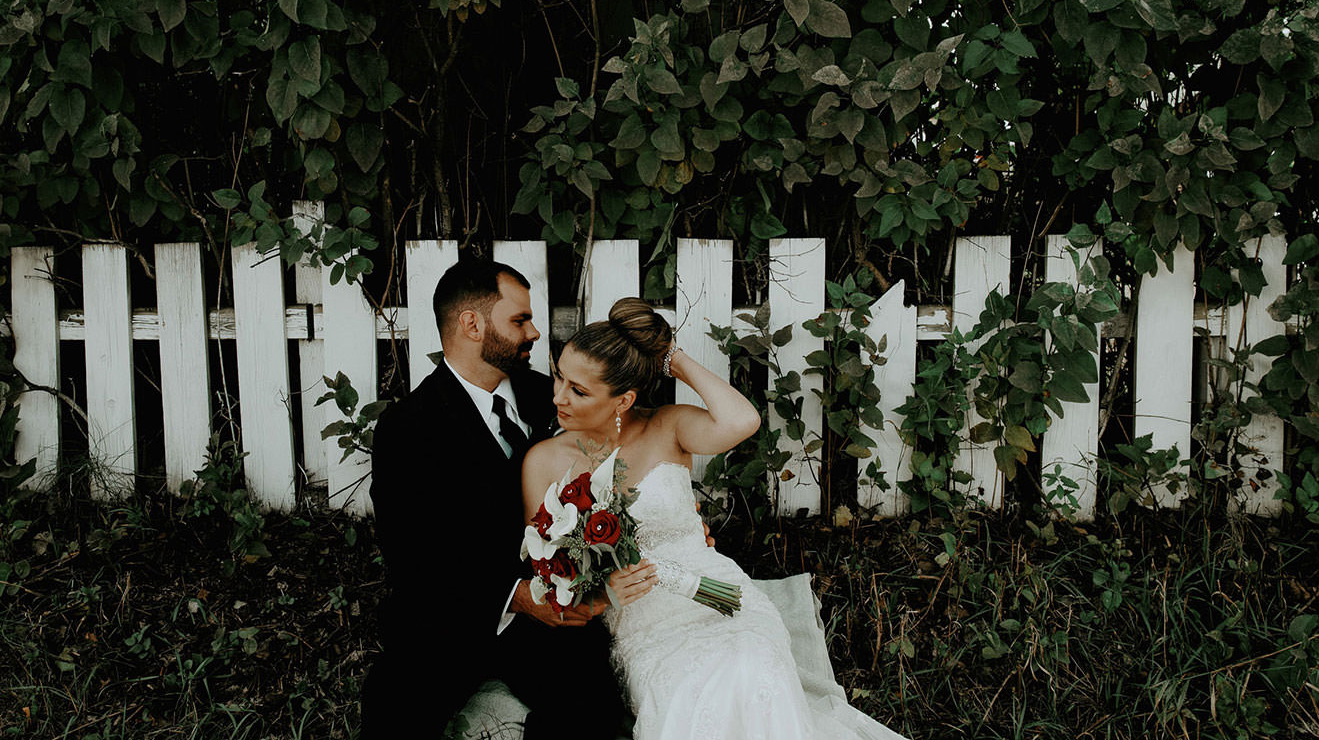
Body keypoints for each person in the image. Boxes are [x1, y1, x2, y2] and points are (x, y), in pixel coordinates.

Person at [521, 297, 911, 740]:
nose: (557, 397)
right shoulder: (544, 462)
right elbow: (550, 574)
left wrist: (673, 359)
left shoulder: (668, 426)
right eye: (558, 377)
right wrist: (603, 594)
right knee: (693, 696)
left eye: (578, 389)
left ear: (624, 399)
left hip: (724, 601)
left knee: (751, 666)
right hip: (646, 623)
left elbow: (742, 420)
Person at [362, 258, 626, 740]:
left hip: (553, 611)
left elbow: (620, 449)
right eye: (519, 319)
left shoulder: (550, 397)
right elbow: (412, 557)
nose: (533, 332)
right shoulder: (408, 428)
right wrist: (517, 597)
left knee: (590, 708)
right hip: (451, 614)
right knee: (393, 712)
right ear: (472, 324)